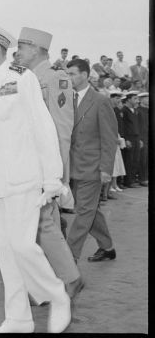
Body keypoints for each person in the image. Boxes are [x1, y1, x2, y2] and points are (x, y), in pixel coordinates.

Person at [0, 19, 71, 333]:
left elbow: (43, 126)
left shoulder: (21, 77)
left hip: (24, 178)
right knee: (9, 254)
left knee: (24, 247)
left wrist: (52, 177)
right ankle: (18, 319)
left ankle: (58, 295)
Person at [15, 28, 83, 299]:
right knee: (40, 226)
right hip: (28, 163)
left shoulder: (55, 79)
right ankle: (50, 283)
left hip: (44, 166)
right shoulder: (26, 77)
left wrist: (58, 174)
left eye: (22, 46)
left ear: (36, 49)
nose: (17, 51)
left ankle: (68, 278)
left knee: (42, 223)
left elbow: (61, 128)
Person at [65, 59, 118, 264]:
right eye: (67, 74)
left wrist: (106, 169)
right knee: (89, 210)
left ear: (85, 75)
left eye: (72, 74)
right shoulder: (67, 99)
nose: (68, 78)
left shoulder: (100, 101)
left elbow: (109, 137)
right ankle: (107, 247)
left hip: (92, 167)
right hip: (74, 166)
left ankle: (69, 258)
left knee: (84, 212)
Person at [120, 91, 142, 188]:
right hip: (129, 138)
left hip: (136, 137)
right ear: (129, 99)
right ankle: (127, 181)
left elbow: (137, 126)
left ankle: (132, 179)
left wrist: (140, 139)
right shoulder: (124, 110)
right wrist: (126, 139)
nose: (137, 101)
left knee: (135, 159)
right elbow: (123, 126)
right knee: (128, 160)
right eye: (135, 99)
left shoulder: (135, 111)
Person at [137, 92, 149, 186]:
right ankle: (142, 178)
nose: (148, 99)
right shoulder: (138, 110)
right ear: (141, 99)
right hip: (142, 137)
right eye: (146, 98)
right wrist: (140, 138)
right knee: (143, 158)